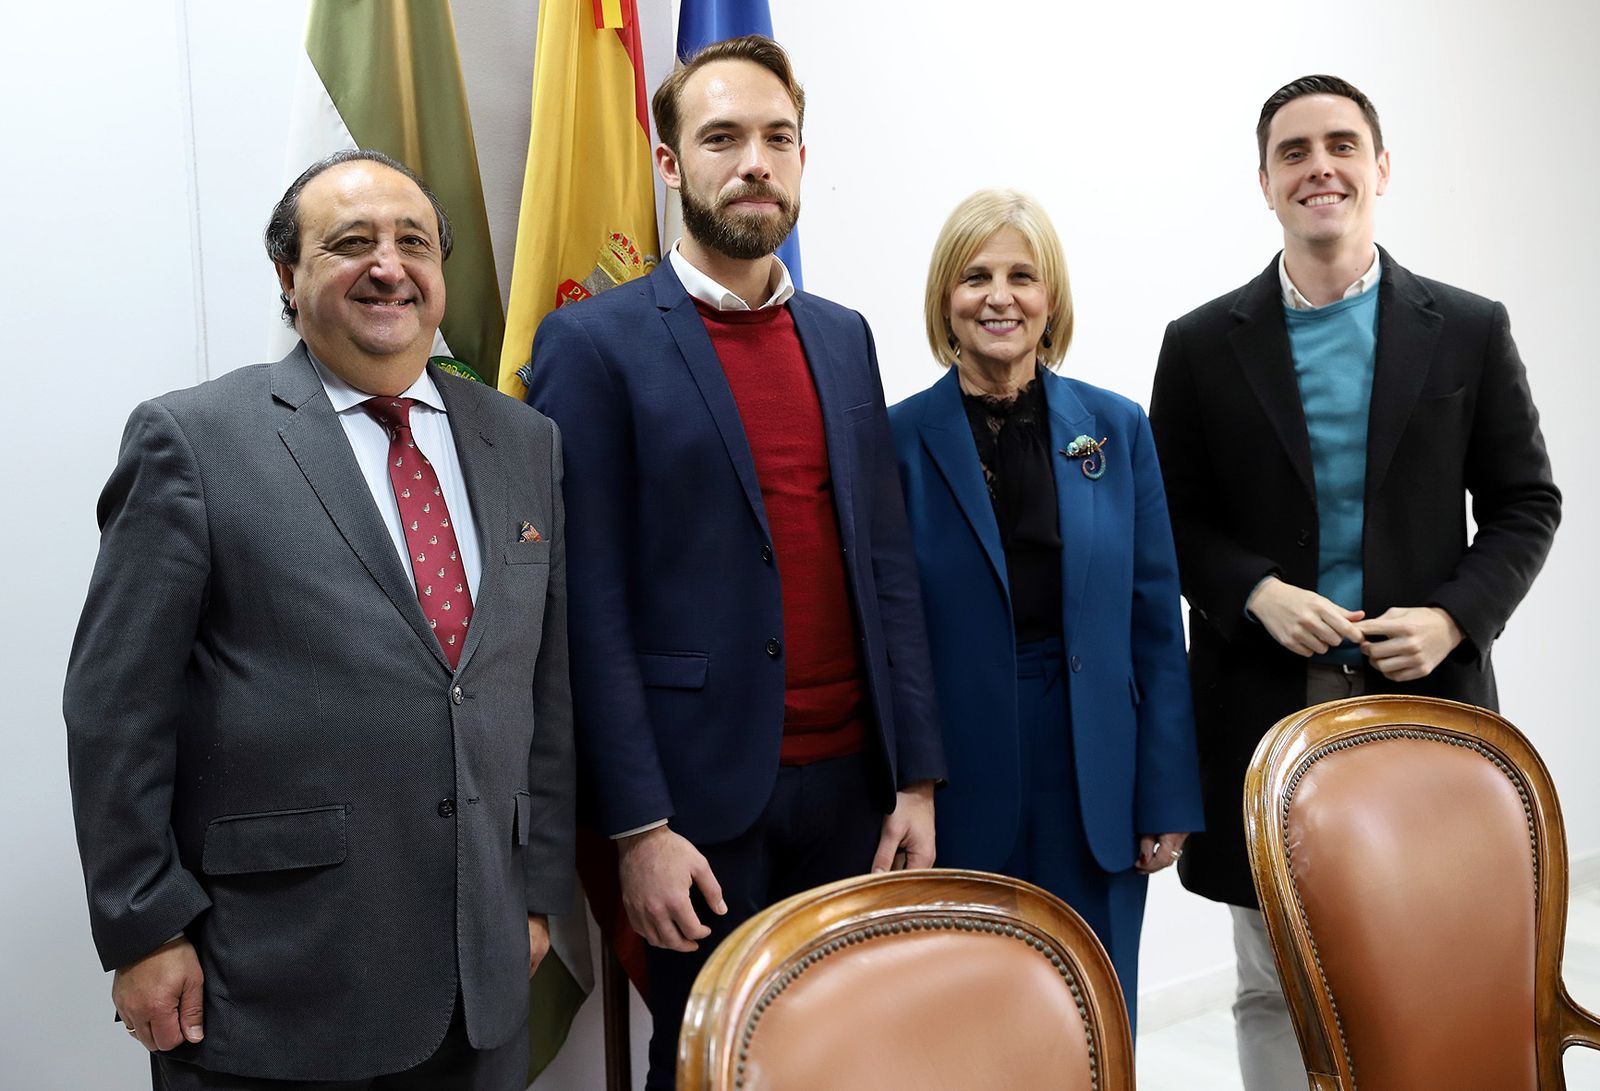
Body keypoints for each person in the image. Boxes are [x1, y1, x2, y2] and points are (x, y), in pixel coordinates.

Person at [63, 149, 575, 1090]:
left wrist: (537, 893)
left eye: (412, 242)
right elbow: (116, 709)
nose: (388, 265)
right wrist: (144, 927)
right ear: (288, 280)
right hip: (274, 981)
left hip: (484, 974)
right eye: (349, 243)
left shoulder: (524, 440)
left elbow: (539, 688)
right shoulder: (195, 440)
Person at [524, 34, 945, 1091]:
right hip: (697, 807)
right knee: (717, 1065)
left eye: (777, 137)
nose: (754, 160)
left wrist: (917, 775)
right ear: (671, 165)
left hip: (853, 791)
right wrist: (637, 827)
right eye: (721, 138)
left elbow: (884, 564)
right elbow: (590, 604)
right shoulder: (592, 346)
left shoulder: (843, 336)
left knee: (848, 1052)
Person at [1149, 75, 1561, 1089]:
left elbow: (1525, 503)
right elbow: (1169, 522)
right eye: (1293, 152)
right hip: (1259, 711)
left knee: (1433, 958)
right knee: (1271, 979)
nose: (1318, 166)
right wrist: (1252, 590)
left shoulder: (1466, 328)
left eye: (1340, 145)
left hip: (1427, 703)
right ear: (1264, 182)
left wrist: (1454, 615)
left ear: (1381, 169)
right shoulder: (1200, 345)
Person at [889, 189, 1203, 1028]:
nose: (1000, 296)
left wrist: (1166, 791)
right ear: (944, 300)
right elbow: (887, 636)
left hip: (1094, 768)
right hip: (958, 774)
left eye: (1022, 275)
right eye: (976, 275)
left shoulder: (1117, 427)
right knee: (971, 1019)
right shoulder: (892, 440)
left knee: (1091, 1018)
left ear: (1050, 297)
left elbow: (1153, 621)